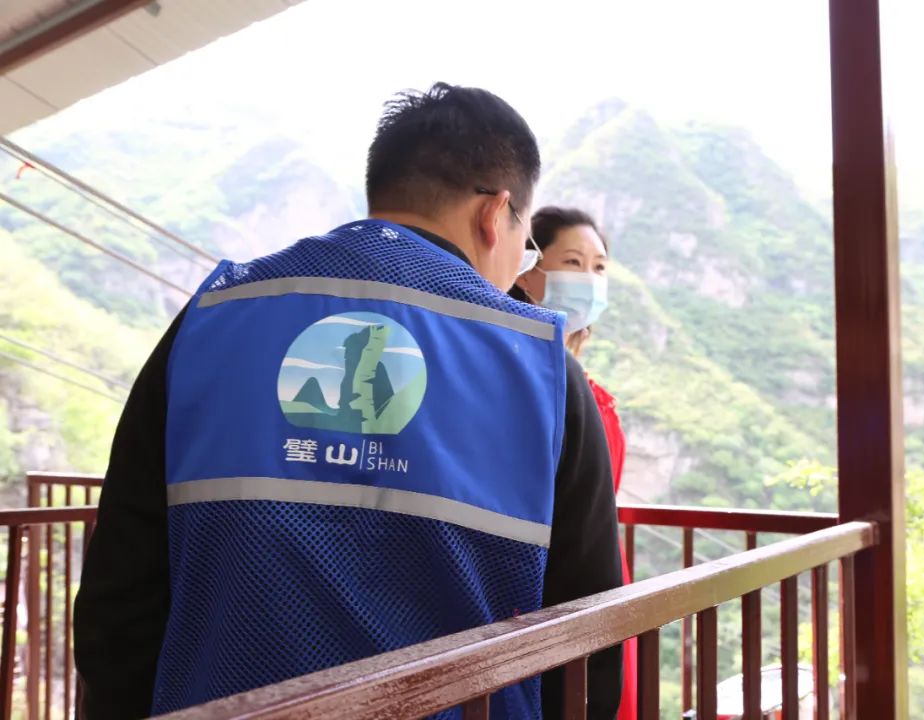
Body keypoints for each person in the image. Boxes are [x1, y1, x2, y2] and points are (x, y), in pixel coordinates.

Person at [73, 83, 623, 720]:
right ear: (495, 214)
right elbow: (590, 638)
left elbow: (120, 595)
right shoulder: (544, 370)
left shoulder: (211, 318)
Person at [510, 207, 636, 720]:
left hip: (600, 574)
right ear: (527, 270)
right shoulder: (520, 381)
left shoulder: (589, 388)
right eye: (572, 262)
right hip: (549, 589)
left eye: (599, 267)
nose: (589, 278)